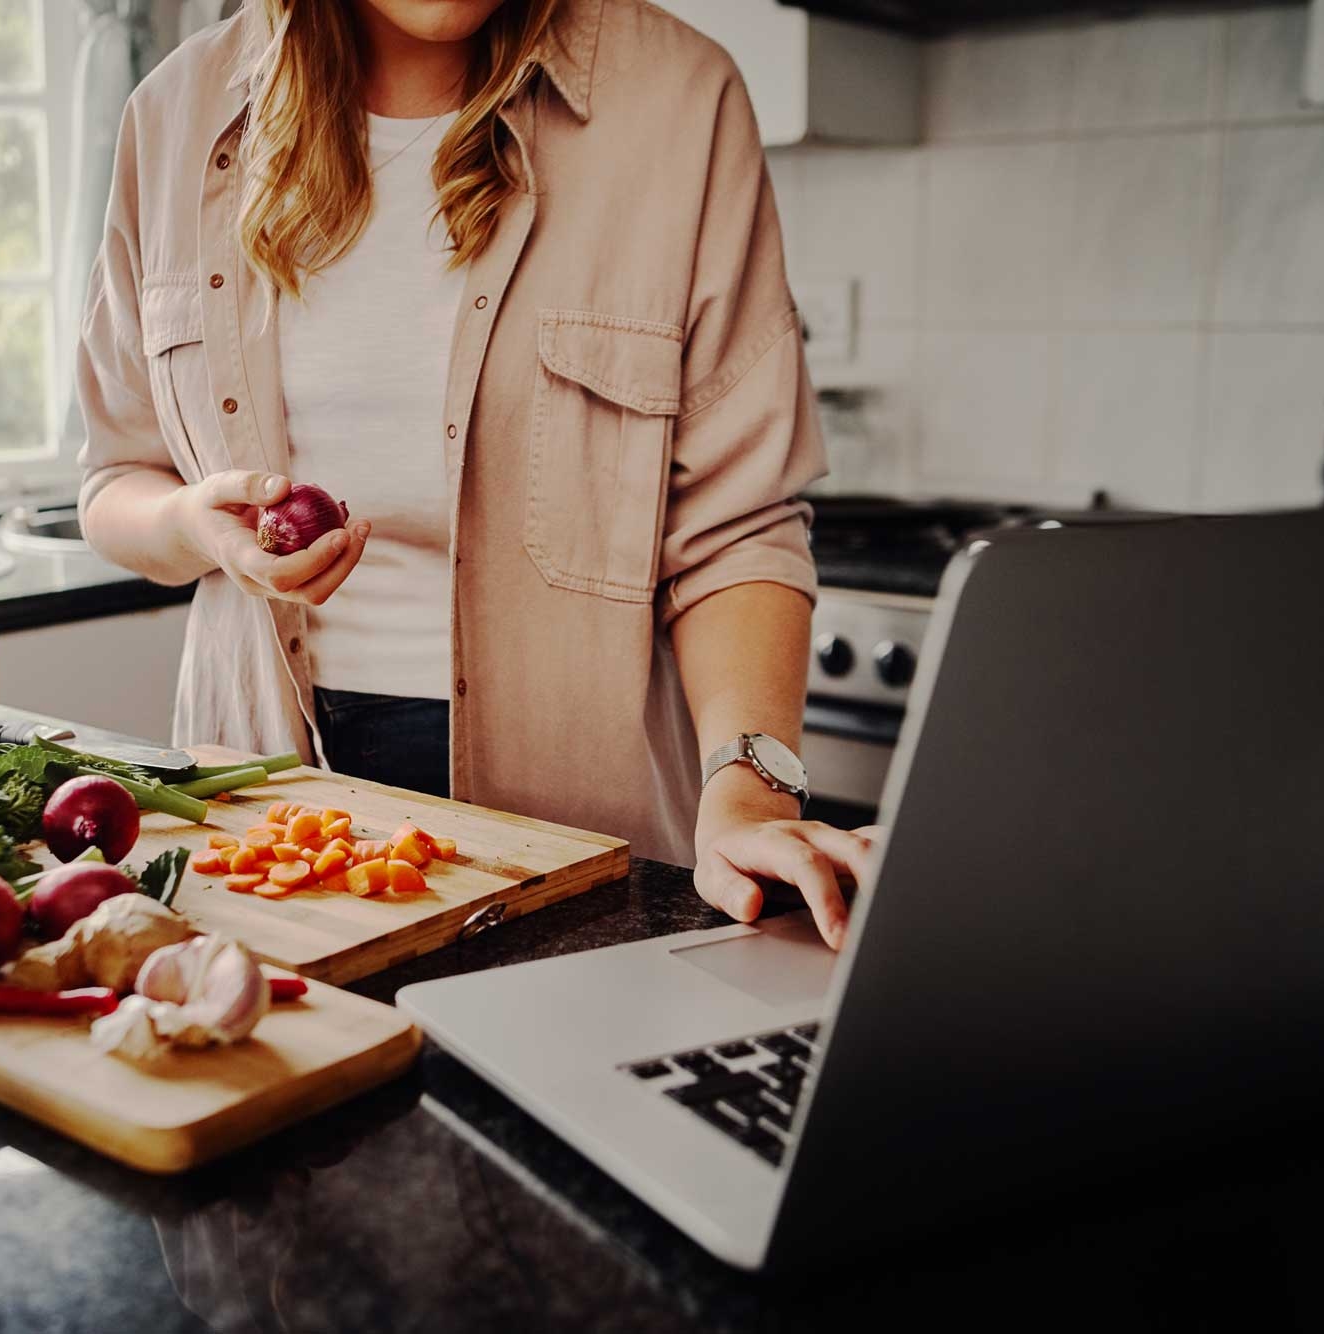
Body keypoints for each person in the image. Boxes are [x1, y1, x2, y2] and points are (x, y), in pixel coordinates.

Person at [75, 0, 877, 948]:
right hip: (267, 833)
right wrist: (189, 526)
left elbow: (737, 527)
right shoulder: (173, 115)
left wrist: (748, 793)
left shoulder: (679, 99)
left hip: (584, 844)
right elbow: (116, 478)